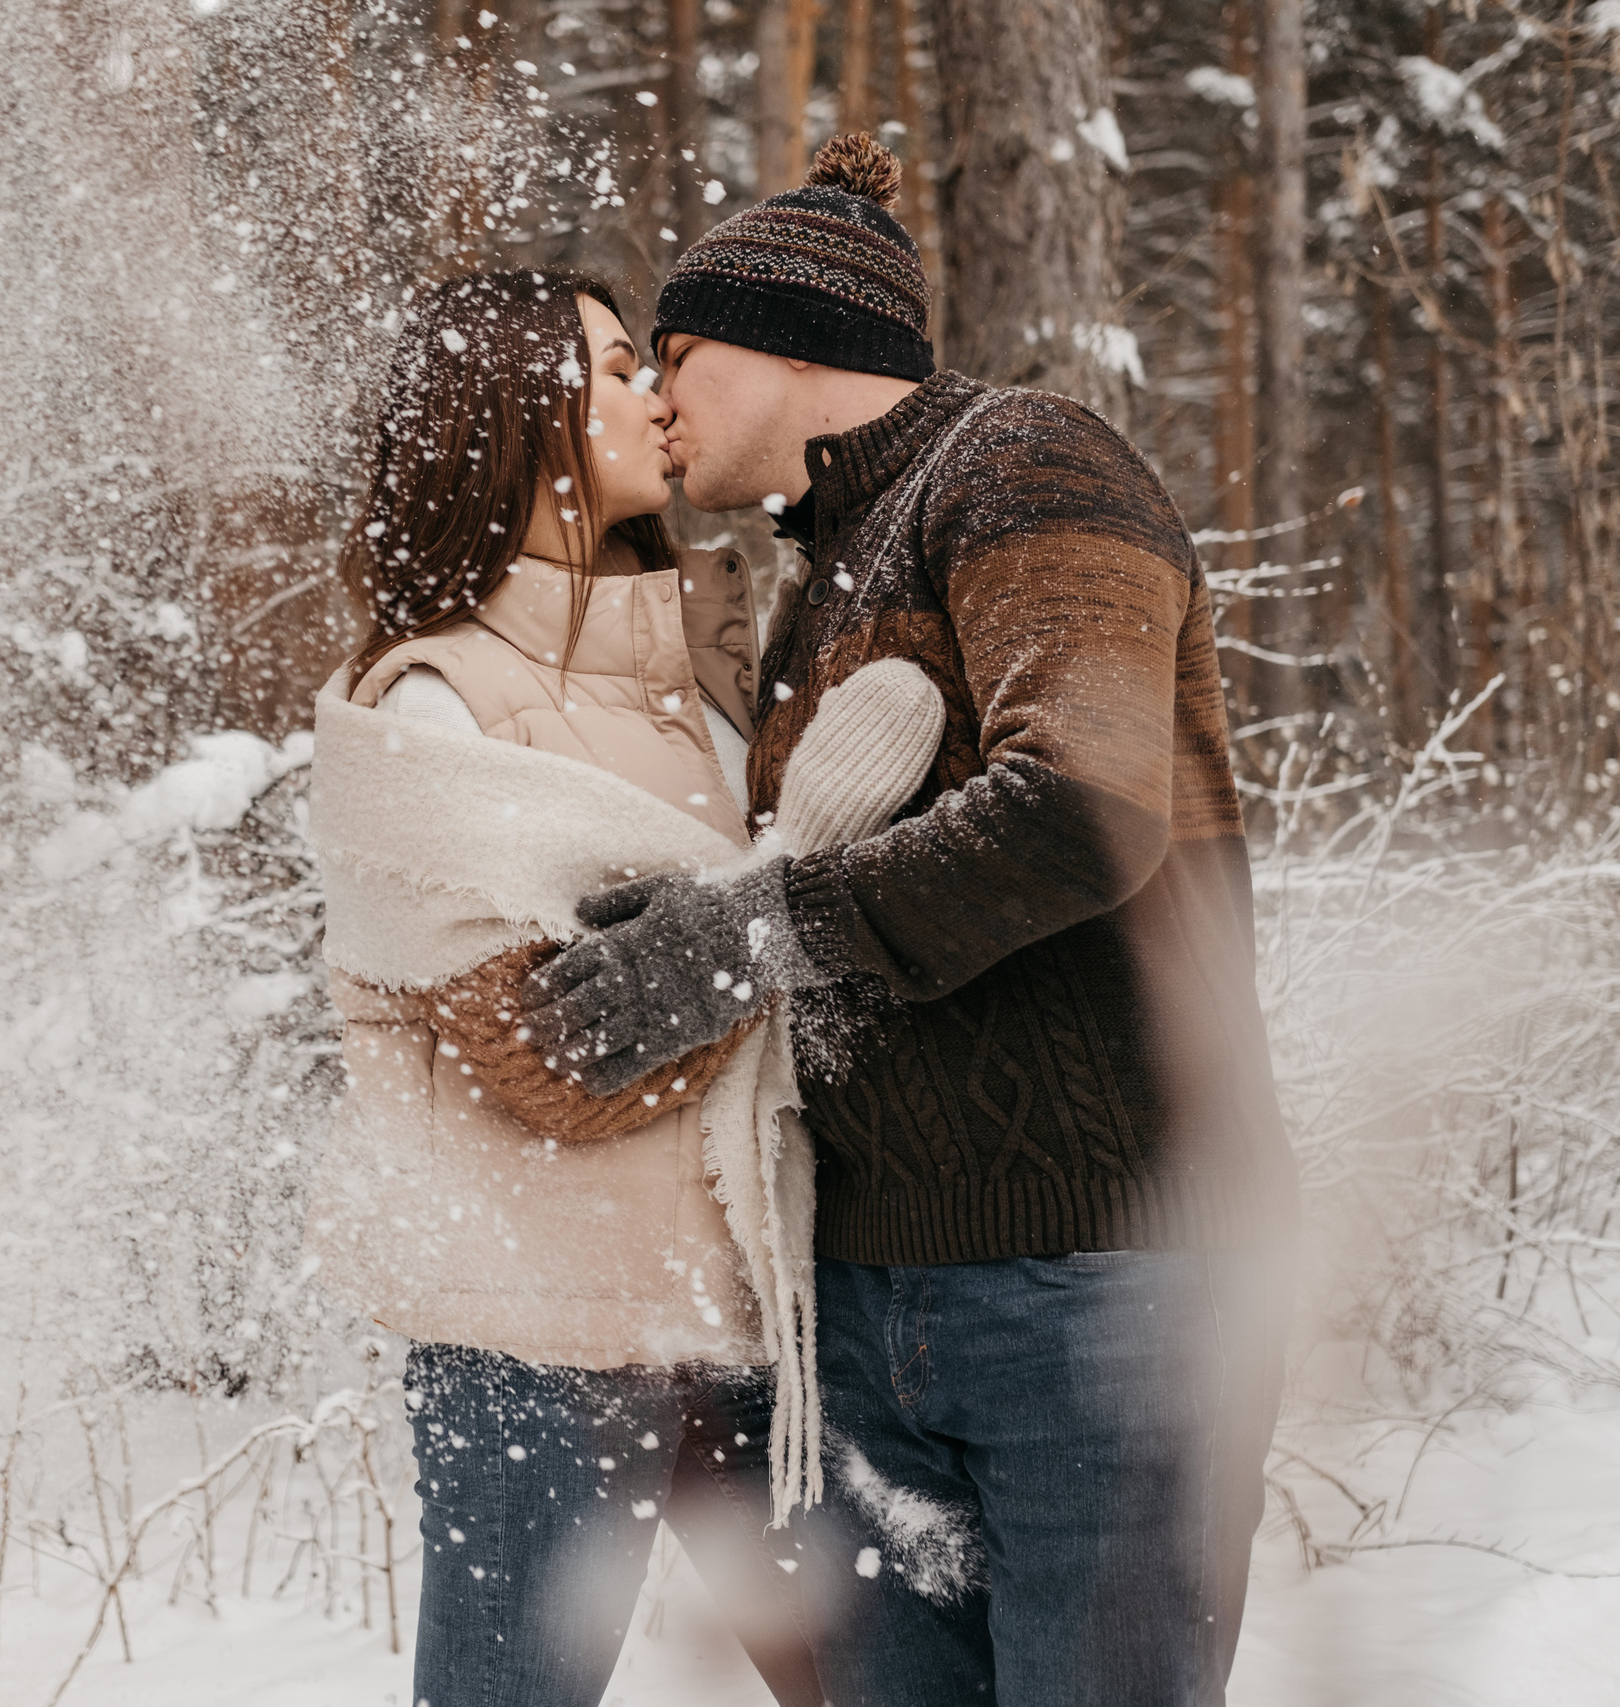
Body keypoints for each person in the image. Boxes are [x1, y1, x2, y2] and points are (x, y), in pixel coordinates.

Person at [519, 135, 1301, 1707]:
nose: (657, 401)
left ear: (789, 343)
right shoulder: (825, 571)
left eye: (673, 356)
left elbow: (1084, 804)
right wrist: (697, 915)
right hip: (875, 1304)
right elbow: (845, 874)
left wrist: (743, 943)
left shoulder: (1026, 463)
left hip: (1107, 1283)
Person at [304, 267, 825, 1707]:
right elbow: (536, 1054)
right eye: (612, 371)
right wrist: (783, 928)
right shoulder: (429, 706)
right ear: (518, 424)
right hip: (538, 1346)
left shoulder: (699, 676)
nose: (656, 399)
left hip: (750, 1309)